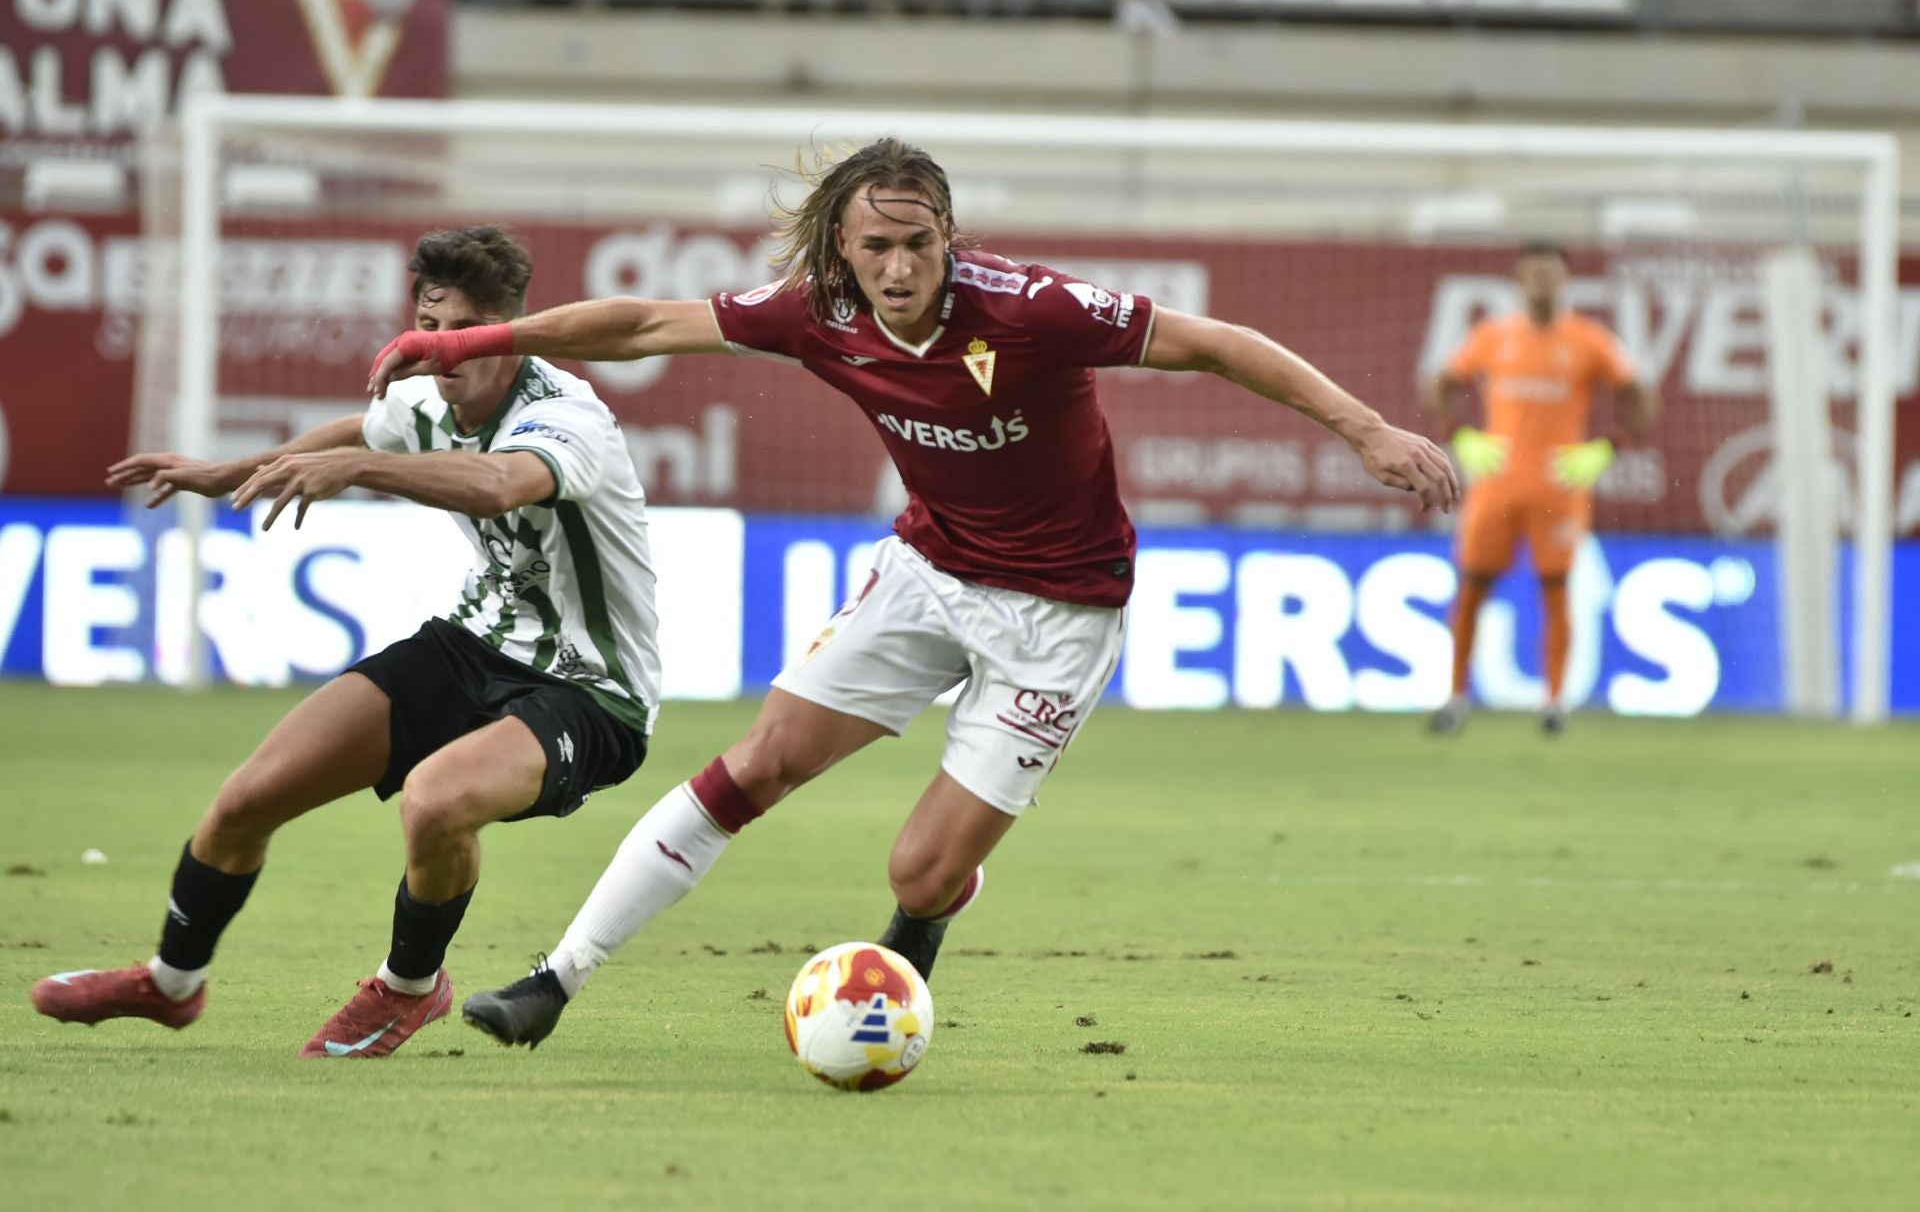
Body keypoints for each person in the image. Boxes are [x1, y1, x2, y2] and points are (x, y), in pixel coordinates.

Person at [365, 138, 1458, 1050]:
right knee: (757, 763)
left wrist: (1367, 429)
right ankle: (557, 978)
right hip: (927, 576)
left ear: (949, 238)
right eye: (876, 246)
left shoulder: (1032, 309)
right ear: (843, 249)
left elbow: (1216, 345)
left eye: (918, 244)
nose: (899, 268)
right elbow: (645, 326)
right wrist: (473, 339)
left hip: (1060, 616)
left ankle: (927, 920)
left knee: (920, 871)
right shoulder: (817, 314)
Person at [31, 226, 662, 1059]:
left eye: (464, 333)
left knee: (435, 801)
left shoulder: (566, 415)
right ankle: (171, 983)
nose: (441, 350)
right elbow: (364, 429)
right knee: (249, 798)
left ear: (508, 333)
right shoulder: (424, 392)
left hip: (591, 689)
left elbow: (498, 483)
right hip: (471, 645)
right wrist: (232, 471)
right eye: (428, 329)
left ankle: (409, 988)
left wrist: (360, 472)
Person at [1422, 240, 1657, 737]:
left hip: (1558, 486)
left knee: (1556, 591)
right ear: (1517, 279)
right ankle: (1454, 697)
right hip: (1496, 484)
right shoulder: (1492, 336)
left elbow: (1639, 394)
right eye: (1532, 272)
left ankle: (1553, 703)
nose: (1541, 282)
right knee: (1473, 588)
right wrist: (1459, 435)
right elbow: (1439, 384)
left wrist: (1609, 447)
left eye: (1549, 272)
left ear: (1566, 279)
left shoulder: (1590, 340)